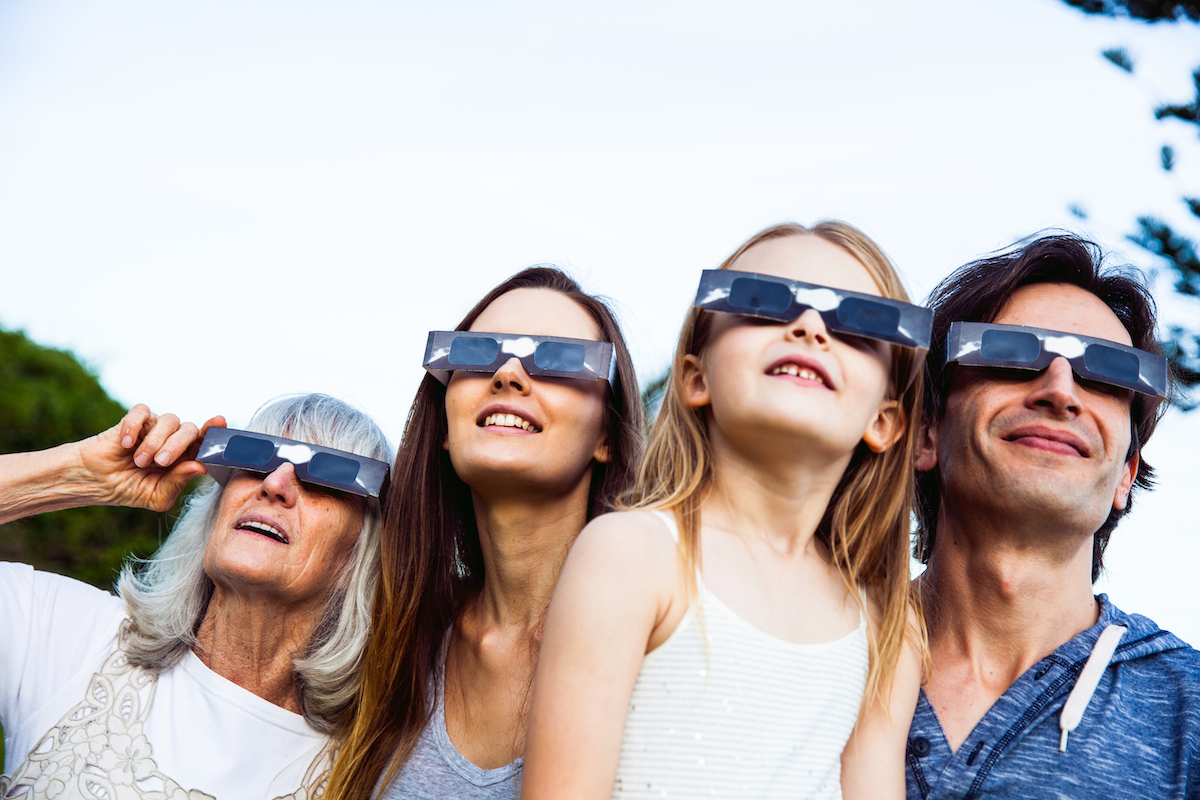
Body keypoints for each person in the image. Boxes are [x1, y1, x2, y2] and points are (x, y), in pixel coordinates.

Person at [522, 221, 929, 800]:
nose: (809, 326)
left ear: (884, 421)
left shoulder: (888, 629)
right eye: (760, 302)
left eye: (859, 322)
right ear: (696, 377)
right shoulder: (631, 555)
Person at [325, 266, 644, 800]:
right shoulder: (395, 638)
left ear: (606, 436)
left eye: (559, 358)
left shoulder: (656, 643)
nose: (509, 374)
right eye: (477, 353)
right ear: (447, 427)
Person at [906, 234, 1200, 799]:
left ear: (1125, 474)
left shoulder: (1190, 714)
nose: (1061, 390)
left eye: (1107, 373)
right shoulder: (809, 656)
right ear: (927, 433)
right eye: (1014, 354)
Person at [0, 393, 393, 799]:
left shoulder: (381, 770)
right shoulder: (65, 635)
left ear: (359, 556)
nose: (274, 484)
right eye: (255, 460)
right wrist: (73, 475)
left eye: (322, 476)